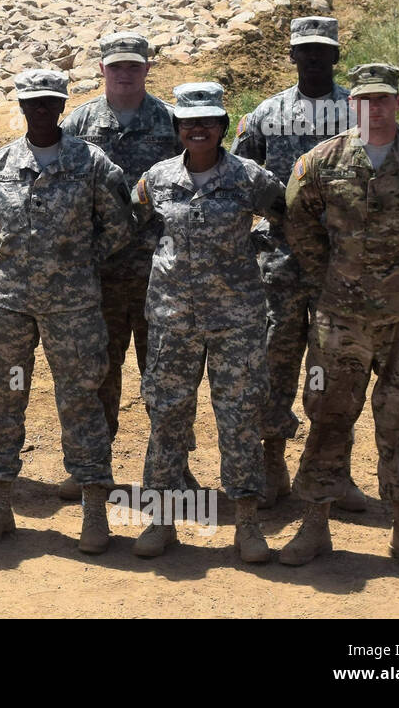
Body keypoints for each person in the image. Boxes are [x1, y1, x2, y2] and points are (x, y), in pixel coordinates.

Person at [281, 64, 399, 572]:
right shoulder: (322, 160)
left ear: (398, 102)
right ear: (353, 105)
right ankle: (314, 528)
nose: (374, 108)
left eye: (383, 99)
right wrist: (336, 275)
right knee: (327, 417)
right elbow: (298, 223)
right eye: (365, 100)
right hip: (338, 321)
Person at [0, 69, 133, 551]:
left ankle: (93, 510)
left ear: (62, 107)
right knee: (5, 400)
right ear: (20, 107)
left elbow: (119, 227)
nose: (40, 110)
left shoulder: (93, 163)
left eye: (49, 103)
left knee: (81, 401)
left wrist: (77, 262)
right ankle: (0, 504)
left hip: (73, 309)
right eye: (32, 103)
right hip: (9, 308)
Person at [130, 82, 285, 562]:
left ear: (221, 127)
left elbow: (285, 217)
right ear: (177, 128)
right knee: (167, 417)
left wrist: (252, 250)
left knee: (239, 420)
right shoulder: (155, 179)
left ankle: (248, 525)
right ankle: (160, 520)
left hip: (235, 321)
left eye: (209, 122)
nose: (199, 129)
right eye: (189, 122)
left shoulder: (250, 179)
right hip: (173, 320)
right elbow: (139, 224)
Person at [231, 16, 365, 510]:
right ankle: (271, 463)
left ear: (335, 54)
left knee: (336, 369)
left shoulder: (357, 112)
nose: (313, 57)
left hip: (339, 267)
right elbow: (240, 177)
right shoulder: (266, 114)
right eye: (304, 50)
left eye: (322, 50)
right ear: (291, 55)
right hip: (280, 265)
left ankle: (334, 470)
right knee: (276, 363)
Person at [57, 31, 181, 499]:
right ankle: (92, 468)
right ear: (102, 69)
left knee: (166, 377)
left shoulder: (172, 122)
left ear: (147, 69)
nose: (125, 73)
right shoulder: (80, 124)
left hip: (161, 276)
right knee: (98, 374)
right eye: (116, 66)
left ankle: (172, 468)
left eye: (134, 65)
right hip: (101, 276)